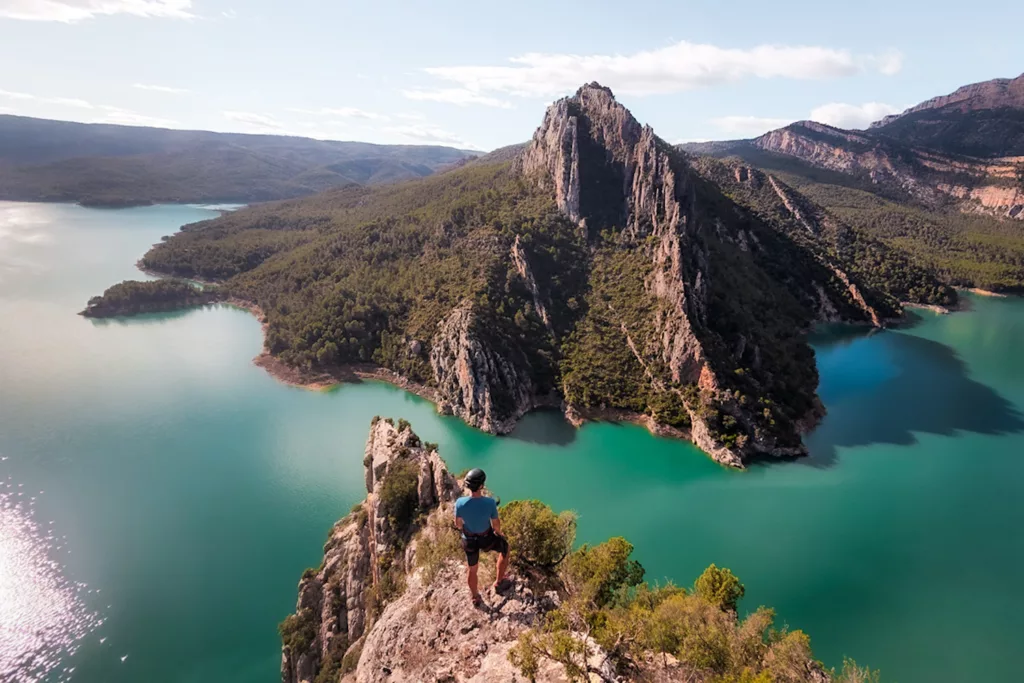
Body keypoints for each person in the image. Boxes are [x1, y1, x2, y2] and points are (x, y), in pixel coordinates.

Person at [454, 468, 510, 606]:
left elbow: (458, 524)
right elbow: (496, 524)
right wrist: (499, 533)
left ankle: (475, 596)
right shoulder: (490, 503)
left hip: (469, 540)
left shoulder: (460, 503)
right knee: (505, 549)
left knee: (472, 569)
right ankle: (499, 582)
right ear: (481, 485)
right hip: (486, 539)